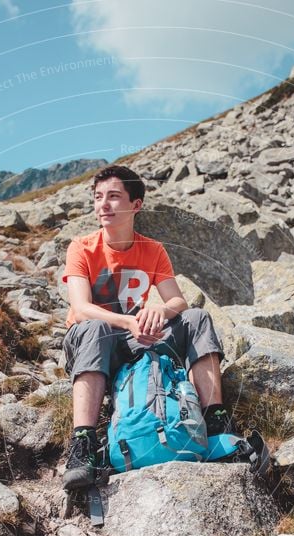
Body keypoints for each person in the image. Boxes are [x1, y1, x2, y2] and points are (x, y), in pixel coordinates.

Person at [61, 164, 233, 491]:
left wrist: (159, 310)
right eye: (98, 198)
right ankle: (82, 442)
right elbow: (81, 309)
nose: (103, 205)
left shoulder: (153, 250)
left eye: (113, 197)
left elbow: (178, 302)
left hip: (134, 339)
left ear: (135, 205)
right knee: (96, 326)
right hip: (90, 340)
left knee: (197, 319)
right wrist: (129, 320)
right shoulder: (81, 248)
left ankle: (215, 421)